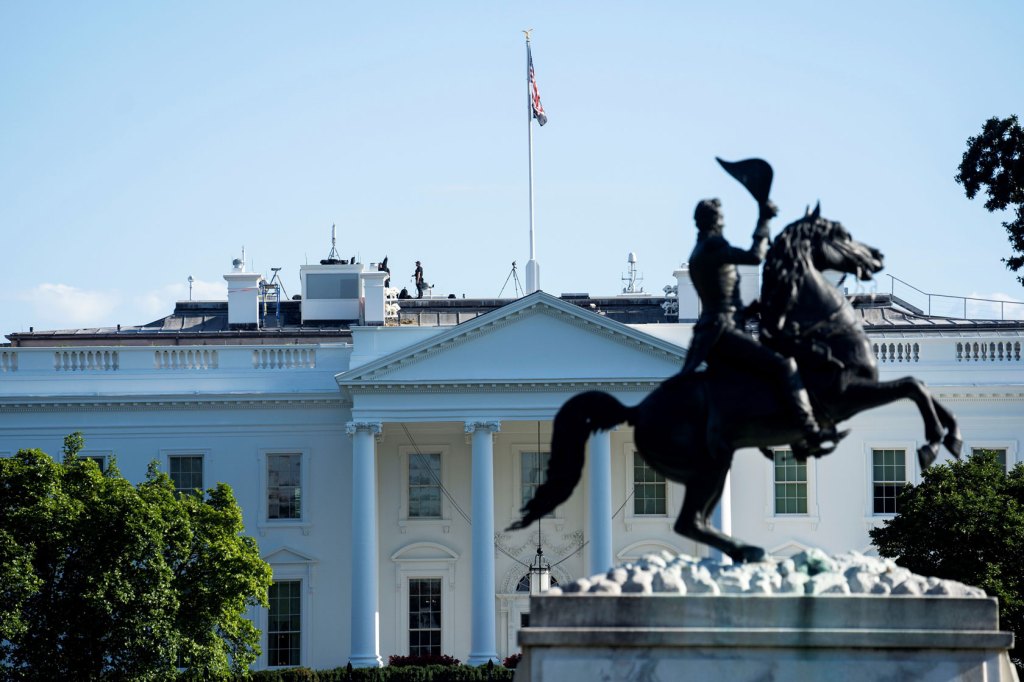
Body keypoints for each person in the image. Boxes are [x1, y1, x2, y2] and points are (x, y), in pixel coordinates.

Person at [682, 198, 835, 457]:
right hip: (725, 330)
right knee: (784, 365)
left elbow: (719, 298)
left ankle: (765, 428)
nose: (724, 221)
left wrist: (750, 310)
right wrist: (764, 219)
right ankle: (809, 430)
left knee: (761, 369)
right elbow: (755, 256)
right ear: (713, 221)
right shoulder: (712, 246)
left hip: (716, 328)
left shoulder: (699, 251)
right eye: (720, 217)